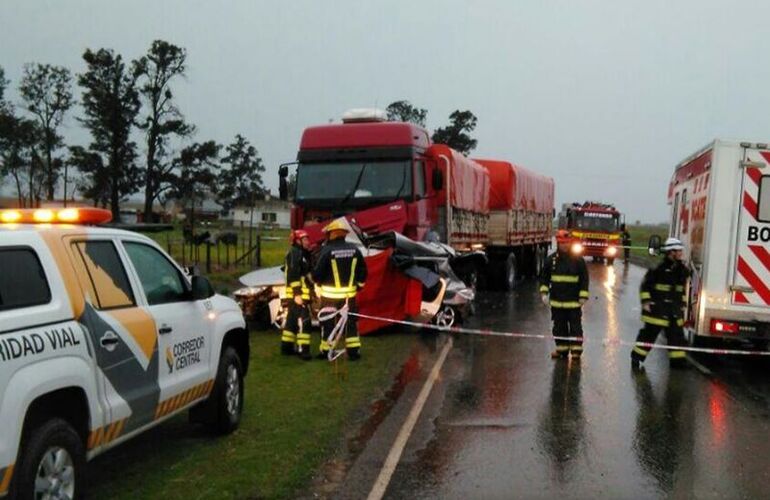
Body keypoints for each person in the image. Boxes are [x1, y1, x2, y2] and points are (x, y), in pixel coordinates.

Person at [312, 219, 367, 360]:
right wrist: (358, 286)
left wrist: (317, 283)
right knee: (351, 323)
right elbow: (363, 271)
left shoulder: (326, 251)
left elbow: (317, 275)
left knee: (328, 323)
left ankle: (326, 351)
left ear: (332, 234)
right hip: (349, 297)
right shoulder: (355, 250)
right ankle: (354, 352)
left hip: (329, 297)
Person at [631, 237, 690, 369]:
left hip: (674, 311)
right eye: (678, 251)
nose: (681, 253)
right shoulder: (658, 268)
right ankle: (636, 358)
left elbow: (682, 290)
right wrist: (646, 302)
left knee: (677, 337)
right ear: (671, 252)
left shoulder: (681, 270)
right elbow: (645, 286)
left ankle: (678, 362)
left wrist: (683, 305)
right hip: (657, 310)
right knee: (648, 336)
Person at [540, 230, 590, 359]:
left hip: (573, 303)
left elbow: (584, 279)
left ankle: (576, 352)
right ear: (558, 243)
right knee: (559, 328)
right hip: (557, 303)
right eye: (562, 243)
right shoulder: (551, 260)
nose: (564, 246)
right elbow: (544, 277)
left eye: (567, 243)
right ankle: (561, 350)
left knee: (575, 328)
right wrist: (544, 293)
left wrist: (583, 296)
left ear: (570, 243)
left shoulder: (578, 260)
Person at [281, 229, 313, 360]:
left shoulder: (299, 253)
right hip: (298, 295)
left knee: (292, 321)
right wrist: (297, 294)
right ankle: (303, 351)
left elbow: (304, 274)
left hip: (298, 294)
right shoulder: (295, 253)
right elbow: (293, 275)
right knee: (304, 321)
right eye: (305, 239)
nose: (307, 242)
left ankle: (287, 348)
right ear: (297, 241)